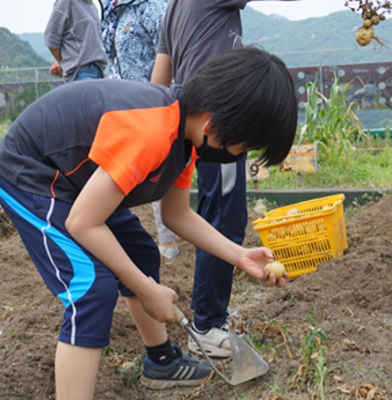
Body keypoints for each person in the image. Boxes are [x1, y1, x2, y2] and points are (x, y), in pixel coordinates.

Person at [0, 46, 297, 398]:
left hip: (78, 183)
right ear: (215, 128)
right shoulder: (152, 129)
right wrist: (148, 291)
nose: (239, 157)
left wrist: (238, 255)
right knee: (91, 289)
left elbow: (176, 214)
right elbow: (83, 223)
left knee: (140, 254)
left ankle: (162, 361)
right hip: (33, 175)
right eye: (243, 148)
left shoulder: (186, 135)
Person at [152, 0, 293, 359]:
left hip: (189, 116)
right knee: (225, 217)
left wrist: (160, 122)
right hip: (221, 122)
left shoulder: (174, 6)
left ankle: (207, 321)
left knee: (212, 212)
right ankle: (209, 325)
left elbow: (160, 73)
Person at [100, 0, 178, 259]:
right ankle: (116, 238)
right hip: (122, 104)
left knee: (157, 170)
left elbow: (170, 51)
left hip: (152, 104)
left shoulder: (153, 6)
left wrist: (160, 99)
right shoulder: (114, 10)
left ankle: (167, 242)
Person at [44, 0, 107, 82]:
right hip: (81, 72)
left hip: (99, 71)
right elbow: (51, 37)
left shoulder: (93, 7)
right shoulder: (67, 2)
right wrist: (62, 63)